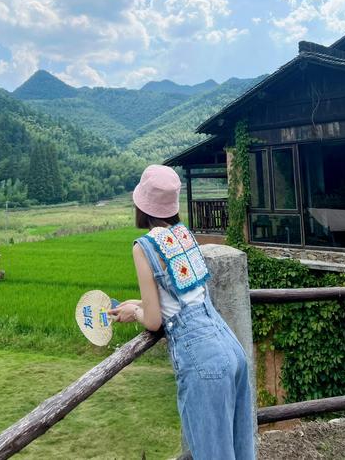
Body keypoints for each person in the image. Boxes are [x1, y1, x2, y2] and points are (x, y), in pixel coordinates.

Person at [108, 164, 256, 460]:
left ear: (141, 204)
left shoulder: (144, 246)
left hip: (203, 361)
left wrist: (134, 314)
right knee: (241, 452)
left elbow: (154, 321)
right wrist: (137, 303)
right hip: (230, 347)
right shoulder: (183, 235)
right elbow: (180, 297)